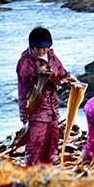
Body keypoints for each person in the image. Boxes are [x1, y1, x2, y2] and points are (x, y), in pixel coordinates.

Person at [17, 26, 75, 166]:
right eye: (39, 48)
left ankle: (48, 164)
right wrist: (38, 74)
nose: (43, 51)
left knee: (53, 136)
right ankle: (32, 167)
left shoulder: (51, 56)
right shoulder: (26, 61)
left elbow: (61, 72)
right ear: (32, 46)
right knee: (36, 139)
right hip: (34, 106)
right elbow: (26, 80)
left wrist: (69, 79)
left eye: (46, 48)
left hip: (52, 105)